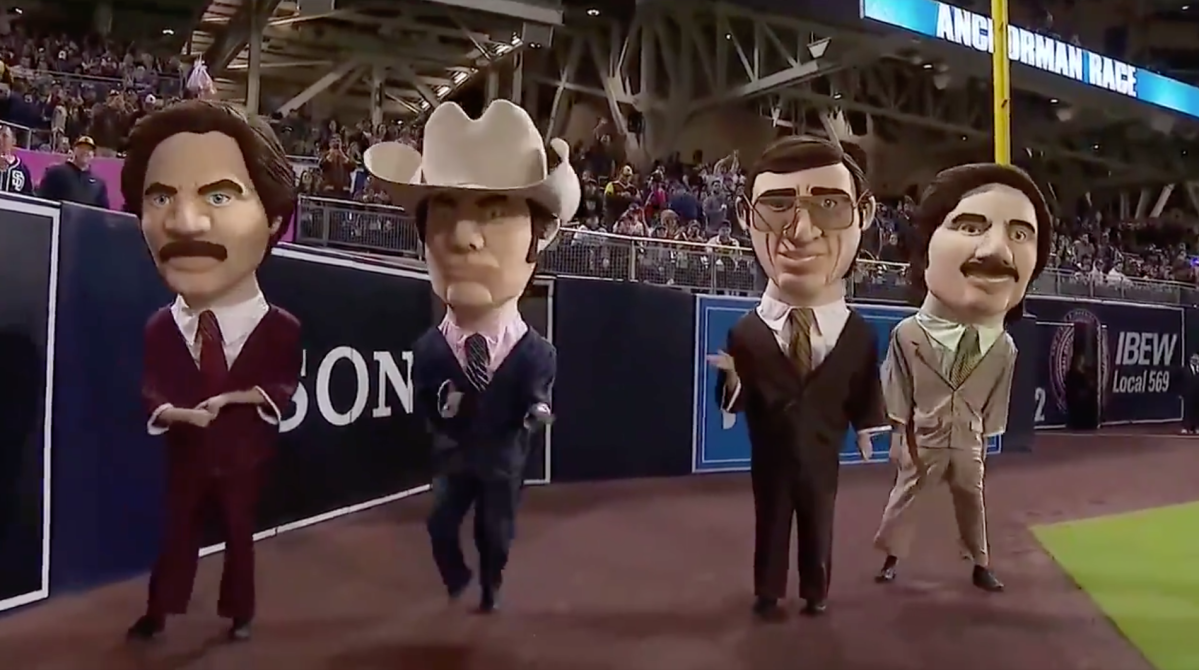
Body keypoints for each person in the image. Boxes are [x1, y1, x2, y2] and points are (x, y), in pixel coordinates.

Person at [364, 100, 577, 613]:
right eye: (444, 213)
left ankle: (491, 582)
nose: (462, 237)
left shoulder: (537, 351)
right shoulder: (429, 349)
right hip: (454, 460)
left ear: (537, 239)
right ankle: (457, 576)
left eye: (496, 211)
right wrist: (442, 407)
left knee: (494, 532)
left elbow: (537, 396)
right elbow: (423, 402)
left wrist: (537, 414)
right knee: (440, 523)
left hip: (503, 462)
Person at [120, 99, 302, 642]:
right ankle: (159, 610)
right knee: (175, 536)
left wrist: (238, 400)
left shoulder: (282, 327)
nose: (185, 222)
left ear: (272, 220)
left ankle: (240, 613)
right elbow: (152, 386)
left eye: (220, 195)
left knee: (240, 537)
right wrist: (171, 411)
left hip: (243, 456)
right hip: (185, 458)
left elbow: (283, 387)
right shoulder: (160, 326)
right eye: (160, 197)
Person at [706, 131, 888, 620]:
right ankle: (767, 590)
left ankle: (816, 590)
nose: (801, 231)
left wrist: (871, 427)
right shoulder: (746, 331)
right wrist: (731, 383)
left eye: (829, 205)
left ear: (863, 214)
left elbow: (864, 385)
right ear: (746, 216)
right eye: (776, 207)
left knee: (818, 524)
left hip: (823, 457)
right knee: (771, 524)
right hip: (770, 455)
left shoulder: (857, 333)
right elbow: (732, 398)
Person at [872, 163, 1051, 591]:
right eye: (970, 226)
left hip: (967, 438)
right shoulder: (909, 333)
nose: (997, 250)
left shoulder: (1003, 346)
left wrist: (984, 435)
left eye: (1020, 234)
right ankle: (891, 558)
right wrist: (899, 433)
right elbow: (897, 387)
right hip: (926, 436)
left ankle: (980, 563)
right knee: (905, 496)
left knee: (972, 501)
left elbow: (997, 398)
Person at [35, 136, 109, 208]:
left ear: (93, 155)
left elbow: (103, 212)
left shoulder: (99, 184)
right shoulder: (56, 172)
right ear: (73, 151)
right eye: (81, 148)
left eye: (89, 149)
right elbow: (42, 199)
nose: (85, 151)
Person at [0, 125, 32, 195]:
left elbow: (28, 195)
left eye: (4, 136)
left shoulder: (22, 169)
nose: (0, 139)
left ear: (14, 141)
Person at [1182, 353, 1199, 434]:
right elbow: (1181, 382)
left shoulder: (1198, 370)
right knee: (1187, 410)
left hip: (1196, 394)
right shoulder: (1185, 370)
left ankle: (1195, 427)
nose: (1196, 361)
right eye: (1195, 359)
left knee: (1196, 410)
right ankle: (1186, 427)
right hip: (1188, 393)